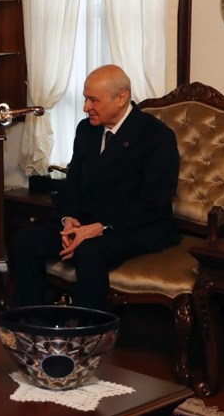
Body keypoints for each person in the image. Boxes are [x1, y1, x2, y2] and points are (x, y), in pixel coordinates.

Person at [10, 64, 179, 310]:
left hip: (134, 227)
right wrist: (68, 219)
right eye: (85, 98)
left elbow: (153, 202)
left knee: (88, 252)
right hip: (85, 223)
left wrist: (99, 228)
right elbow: (72, 183)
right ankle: (28, 321)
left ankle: (87, 329)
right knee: (25, 240)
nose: (85, 107)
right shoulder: (86, 129)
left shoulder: (156, 136)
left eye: (93, 100)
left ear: (121, 98)